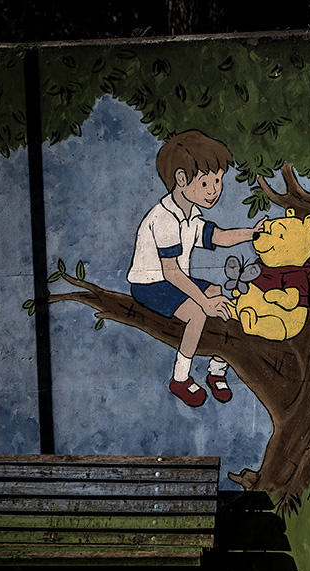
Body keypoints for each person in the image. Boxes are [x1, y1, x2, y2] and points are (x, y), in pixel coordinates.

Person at [127, 130, 264, 407]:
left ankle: (216, 369)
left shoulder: (191, 215)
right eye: (206, 183)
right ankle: (180, 377)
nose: (214, 190)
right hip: (149, 284)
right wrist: (204, 302)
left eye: (218, 180)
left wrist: (252, 233)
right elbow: (172, 273)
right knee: (198, 312)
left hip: (171, 279)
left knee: (219, 294)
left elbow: (221, 237)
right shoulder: (164, 218)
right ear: (181, 179)